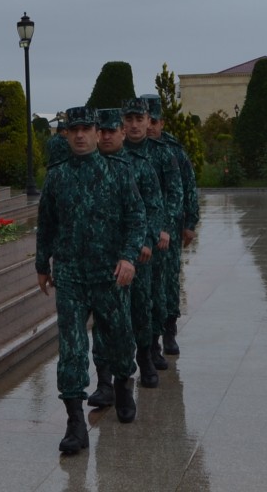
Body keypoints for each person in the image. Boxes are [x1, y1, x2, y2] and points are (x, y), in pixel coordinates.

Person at [36, 111, 145, 454]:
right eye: (74, 130)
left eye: (86, 129)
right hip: (70, 276)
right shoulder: (57, 178)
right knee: (71, 348)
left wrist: (128, 257)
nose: (80, 136)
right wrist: (42, 264)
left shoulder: (119, 172)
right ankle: (74, 423)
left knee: (119, 338)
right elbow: (47, 224)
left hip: (109, 276)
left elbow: (136, 218)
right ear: (66, 135)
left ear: (98, 133)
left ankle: (124, 384)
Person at [91, 105, 157, 405]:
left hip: (134, 257)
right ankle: (105, 383)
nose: (105, 137)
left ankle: (143, 360)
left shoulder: (138, 163)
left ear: (120, 133)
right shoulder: (84, 167)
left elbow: (149, 208)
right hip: (97, 261)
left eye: (110, 130)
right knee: (103, 322)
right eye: (100, 131)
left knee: (138, 313)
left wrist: (145, 242)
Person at [123, 100, 178, 377]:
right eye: (129, 119)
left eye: (139, 119)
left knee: (154, 295)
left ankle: (153, 346)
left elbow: (172, 194)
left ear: (149, 121)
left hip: (156, 240)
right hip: (123, 243)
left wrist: (164, 229)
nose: (134, 125)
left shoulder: (162, 153)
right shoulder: (113, 154)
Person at [142, 95, 197, 358]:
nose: (150, 126)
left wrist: (190, 223)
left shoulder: (173, 151)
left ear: (161, 122)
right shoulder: (132, 150)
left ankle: (170, 331)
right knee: (147, 286)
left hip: (169, 229)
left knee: (169, 282)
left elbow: (187, 188)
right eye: (145, 120)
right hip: (140, 231)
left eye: (154, 121)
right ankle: (148, 337)